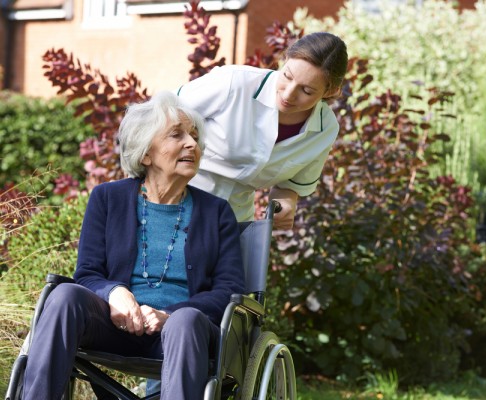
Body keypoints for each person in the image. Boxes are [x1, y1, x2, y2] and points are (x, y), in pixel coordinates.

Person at [21, 91, 245, 400]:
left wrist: (171, 313)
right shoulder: (107, 199)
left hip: (181, 335)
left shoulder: (217, 212)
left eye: (194, 137)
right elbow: (87, 274)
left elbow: (228, 290)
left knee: (186, 320)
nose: (193, 144)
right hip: (114, 326)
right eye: (176, 135)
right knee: (64, 296)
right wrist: (115, 293)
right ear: (145, 154)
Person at [176, 31, 348, 229]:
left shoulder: (325, 129)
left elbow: (290, 187)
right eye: (287, 76)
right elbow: (159, 116)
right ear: (286, 59)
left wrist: (285, 203)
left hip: (234, 222)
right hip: (175, 201)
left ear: (331, 91)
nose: (289, 94)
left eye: (307, 91)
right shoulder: (235, 82)